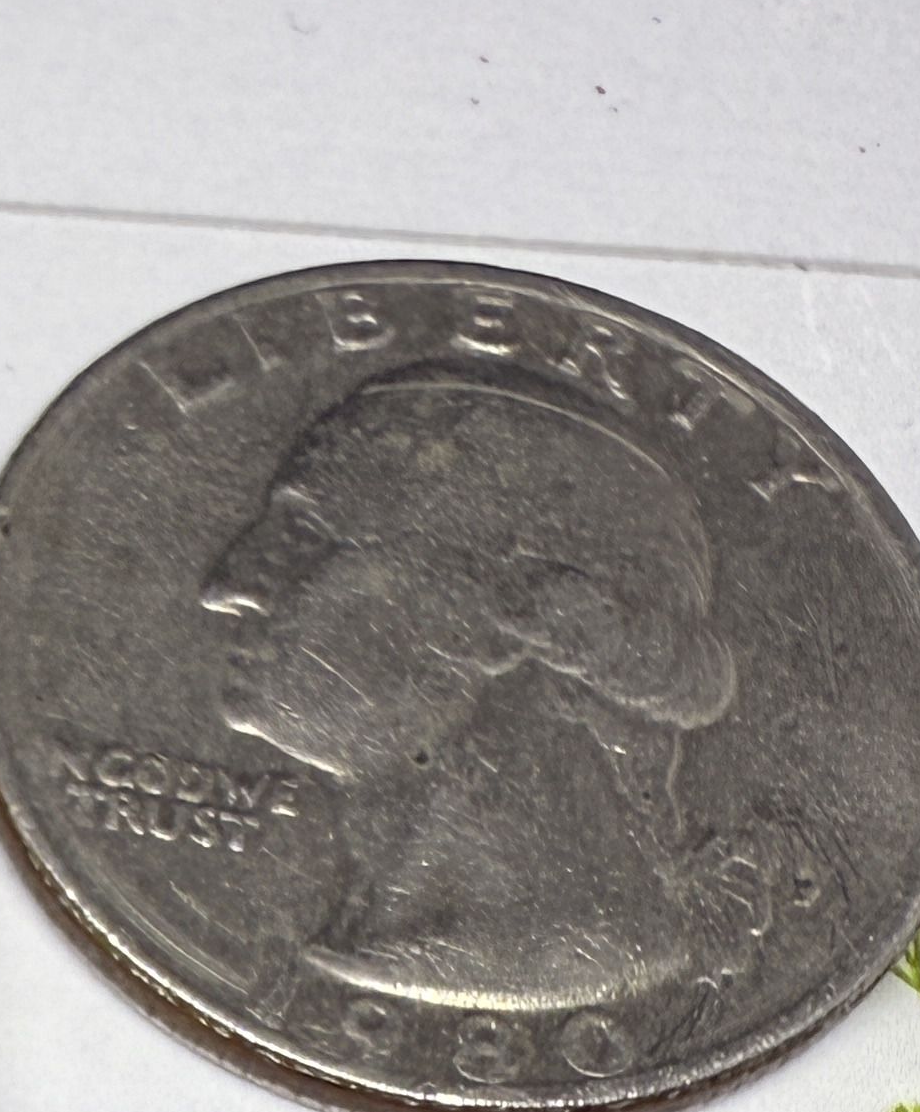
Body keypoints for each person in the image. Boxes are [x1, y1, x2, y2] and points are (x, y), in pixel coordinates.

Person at [202, 365, 771, 1019]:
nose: (226, 585)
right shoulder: (374, 933)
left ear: (511, 625)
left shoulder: (547, 954)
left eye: (304, 537)